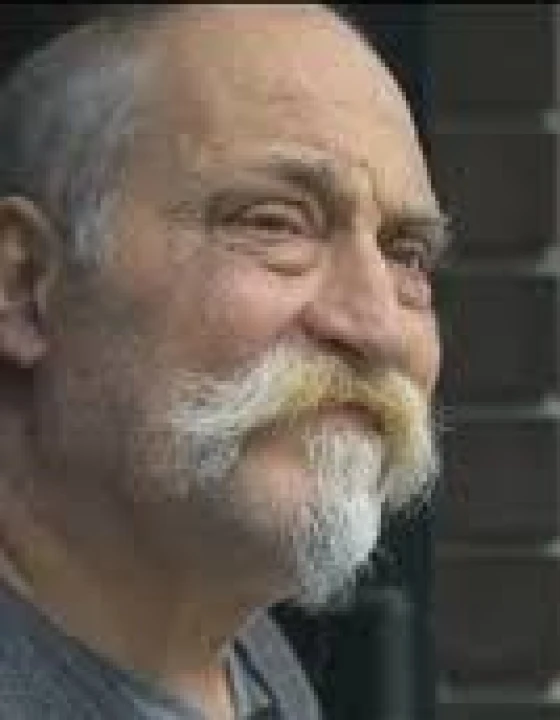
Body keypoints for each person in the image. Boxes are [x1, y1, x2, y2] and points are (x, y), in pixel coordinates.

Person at [0, 4, 445, 719]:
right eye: (275, 223)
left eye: (407, 254)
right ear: (25, 285)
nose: (377, 327)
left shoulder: (246, 657)